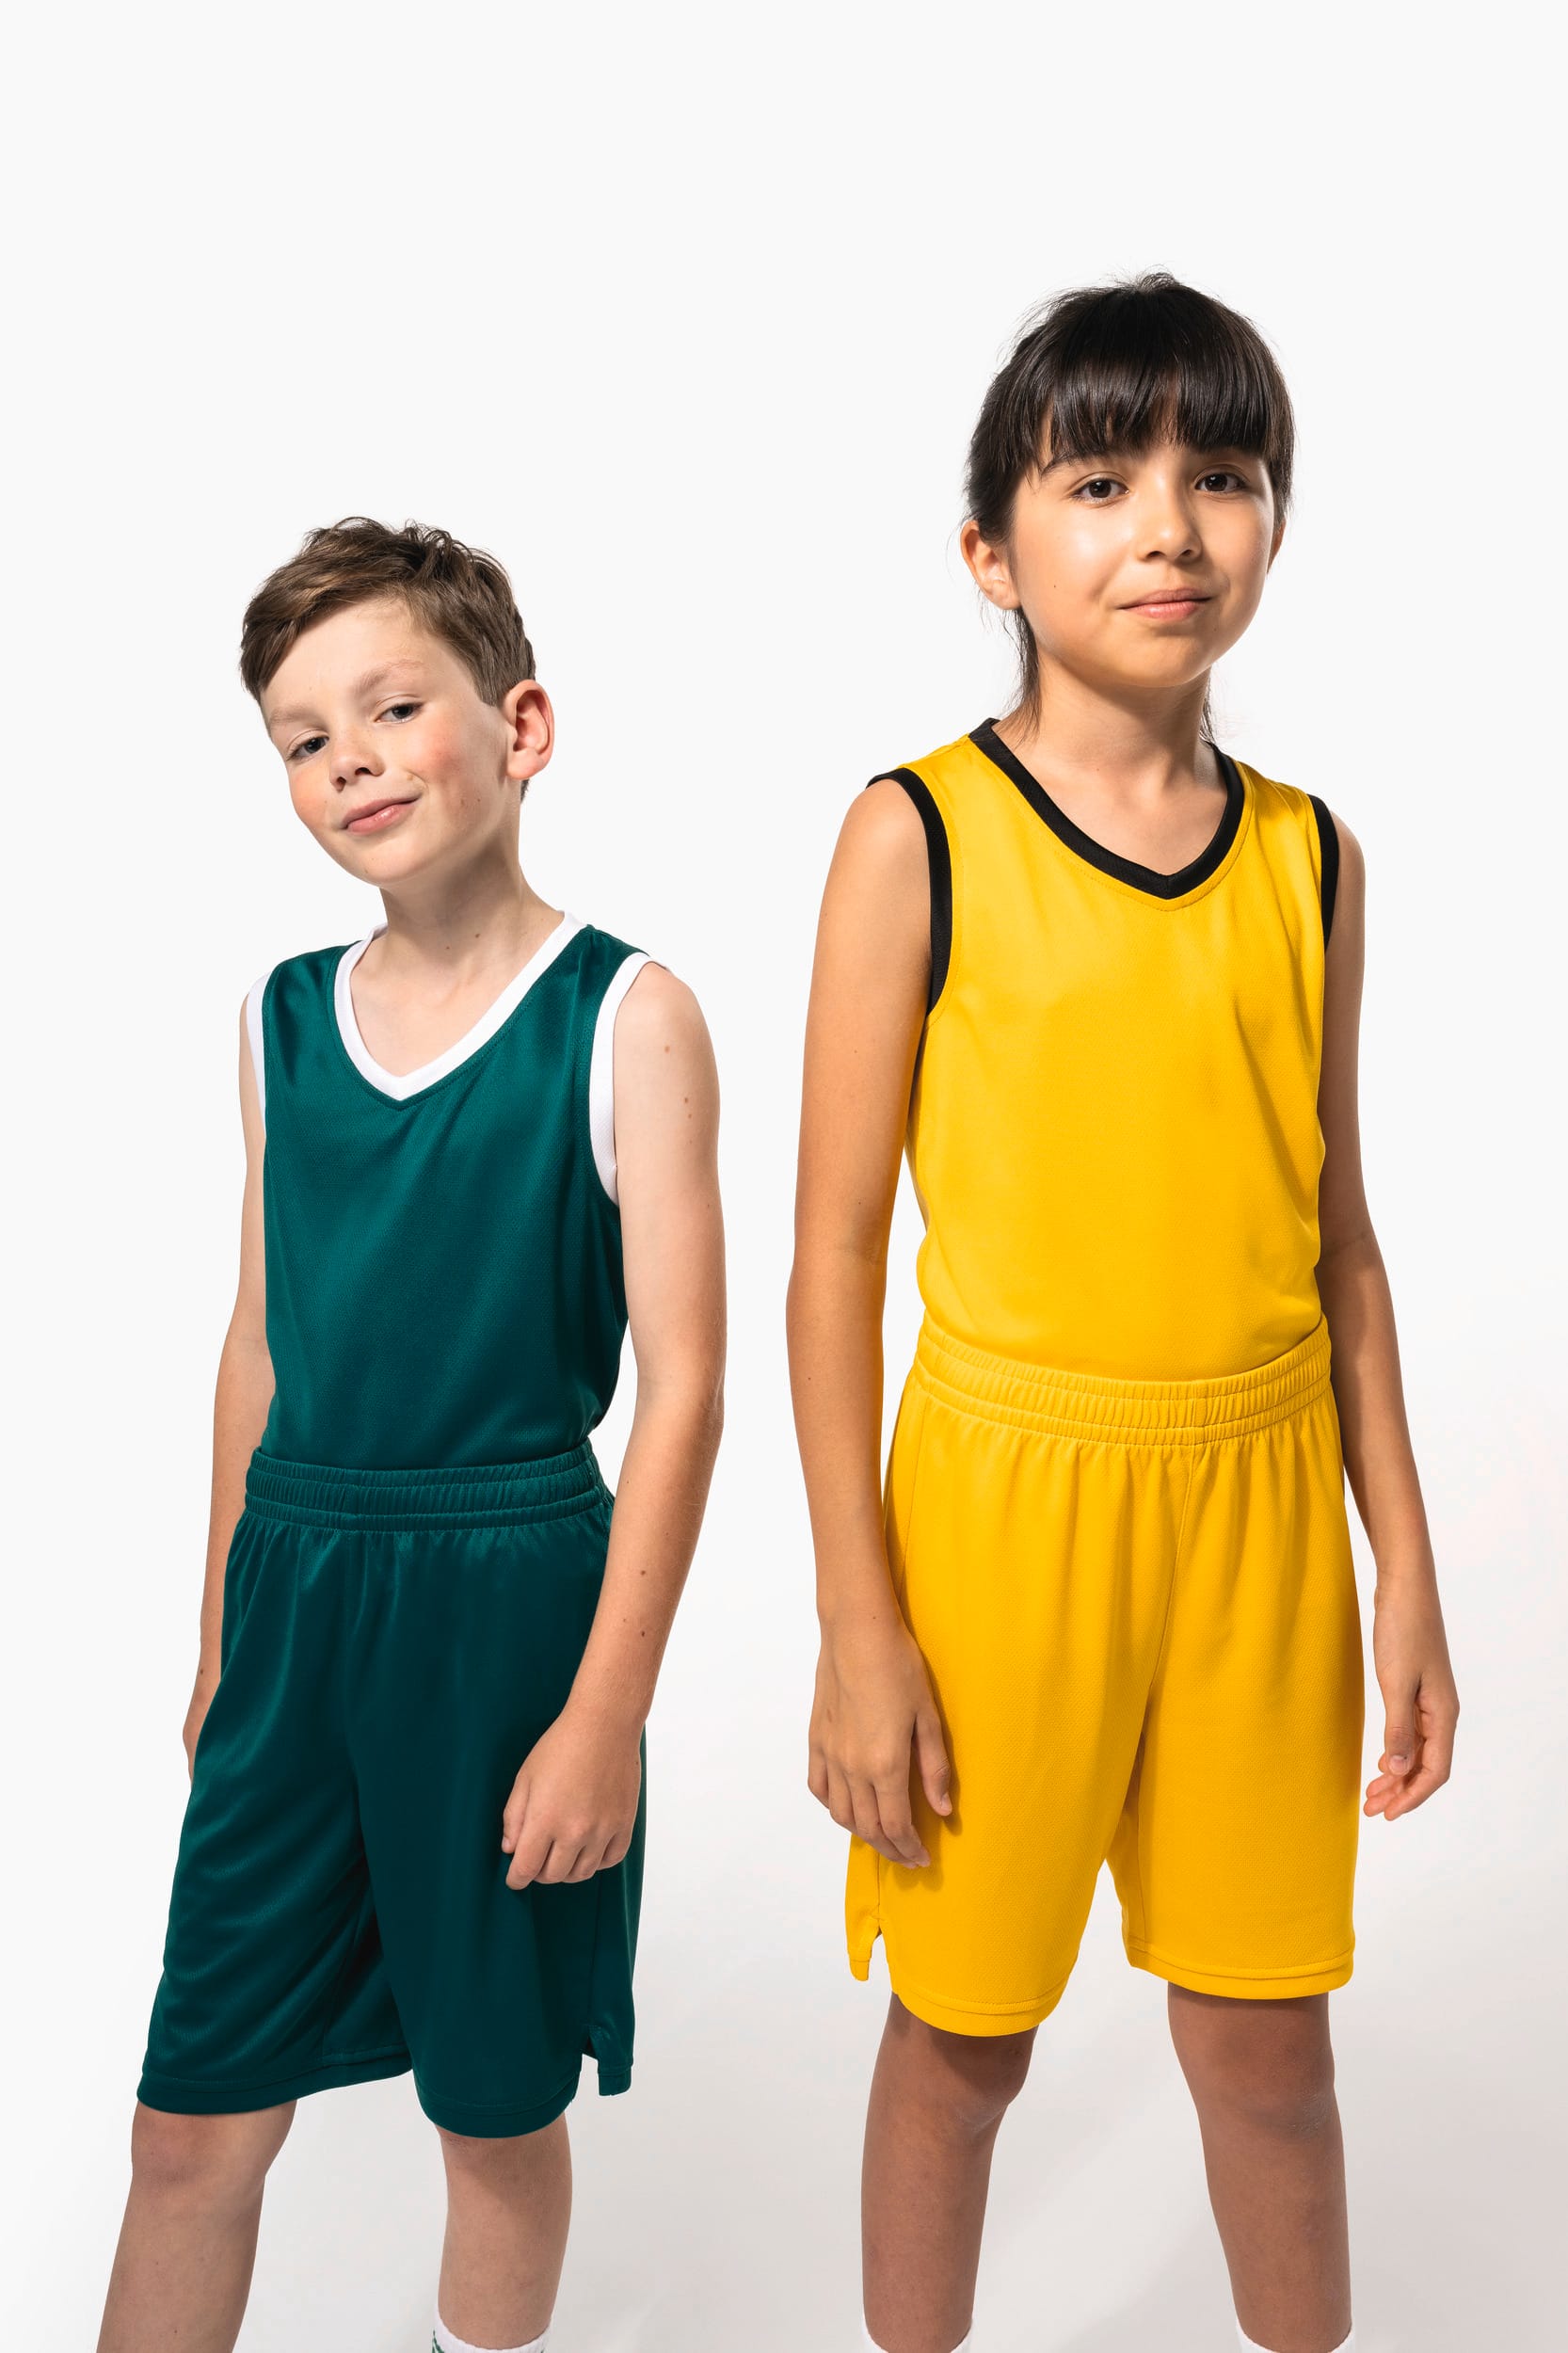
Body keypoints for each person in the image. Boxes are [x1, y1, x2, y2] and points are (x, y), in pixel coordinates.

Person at [787, 273, 1459, 2353]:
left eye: (1222, 475)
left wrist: (1404, 1565)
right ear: (990, 551)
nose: (1169, 524)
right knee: (960, 2041)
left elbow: (1338, 1240)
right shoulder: (917, 833)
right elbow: (829, 1256)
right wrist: (859, 1623)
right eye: (1098, 482)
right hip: (1002, 1521)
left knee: (1263, 2047)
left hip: (1258, 1519)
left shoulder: (1311, 860)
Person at [98, 518, 725, 2353]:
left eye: (389, 707)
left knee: (493, 2116)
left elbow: (685, 1385)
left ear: (520, 726)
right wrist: (222, 1633)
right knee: (187, 2125)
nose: (350, 758)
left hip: (504, 1607)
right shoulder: (278, 1019)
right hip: (296, 1592)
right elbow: (258, 1341)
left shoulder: (627, 1014)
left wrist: (603, 1712)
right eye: (303, 738)